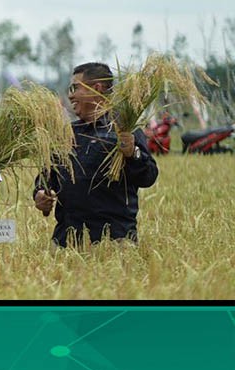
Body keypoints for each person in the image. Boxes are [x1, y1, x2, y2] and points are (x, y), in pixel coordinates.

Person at [33, 62, 159, 246]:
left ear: (96, 89)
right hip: (66, 242)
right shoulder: (66, 133)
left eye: (75, 88)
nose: (70, 95)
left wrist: (133, 153)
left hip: (114, 242)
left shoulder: (124, 130)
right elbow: (46, 177)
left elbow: (149, 177)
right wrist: (40, 194)